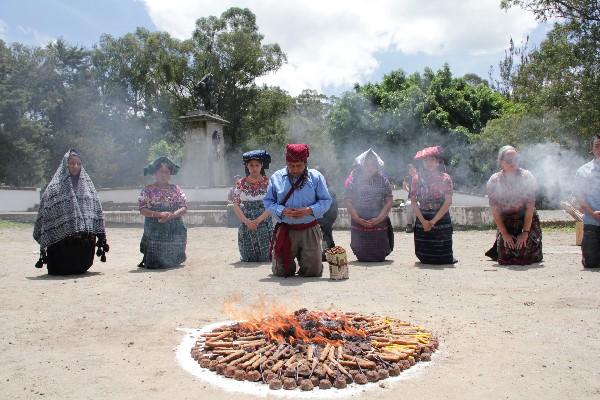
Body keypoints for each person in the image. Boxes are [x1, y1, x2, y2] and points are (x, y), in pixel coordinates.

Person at [33, 149, 109, 275]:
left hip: (82, 246)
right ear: (65, 165)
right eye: (72, 163)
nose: (75, 166)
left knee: (80, 264)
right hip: (61, 248)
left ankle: (80, 264)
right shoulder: (54, 188)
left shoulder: (88, 188)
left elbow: (96, 211)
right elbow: (47, 211)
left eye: (78, 163)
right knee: (61, 265)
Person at [264, 144, 332, 277]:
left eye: (299, 165)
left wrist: (309, 210)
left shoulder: (316, 177)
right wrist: (282, 210)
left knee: (313, 271)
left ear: (305, 163)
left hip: (309, 229)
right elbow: (268, 202)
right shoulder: (276, 177)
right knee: (281, 271)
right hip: (286, 229)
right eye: (291, 166)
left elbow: (326, 201)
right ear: (286, 163)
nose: (295, 169)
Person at [485, 145, 543, 265]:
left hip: (527, 220)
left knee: (523, 253)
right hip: (506, 222)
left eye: (516, 159)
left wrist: (525, 232)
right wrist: (504, 233)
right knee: (505, 257)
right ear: (501, 162)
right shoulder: (494, 181)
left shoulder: (527, 177)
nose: (513, 163)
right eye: (509, 160)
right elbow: (495, 210)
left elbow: (530, 208)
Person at [138, 157, 188, 269]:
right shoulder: (147, 190)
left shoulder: (176, 189)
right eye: (161, 172)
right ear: (154, 173)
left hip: (174, 228)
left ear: (170, 174)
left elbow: (184, 206)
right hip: (155, 228)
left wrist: (172, 215)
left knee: (174, 261)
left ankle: (174, 259)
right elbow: (142, 209)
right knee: (155, 262)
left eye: (167, 172)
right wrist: (159, 214)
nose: (164, 175)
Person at [344, 149, 394, 262]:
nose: (370, 168)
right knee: (361, 249)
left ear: (377, 166)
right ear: (361, 166)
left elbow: (389, 201)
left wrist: (379, 218)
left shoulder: (383, 180)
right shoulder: (354, 181)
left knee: (379, 247)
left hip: (379, 216)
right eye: (366, 165)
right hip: (359, 216)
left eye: (373, 165)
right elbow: (348, 200)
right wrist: (357, 218)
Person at [411, 146, 457, 264]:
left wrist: (432, 222)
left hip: (440, 216)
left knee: (443, 256)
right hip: (423, 215)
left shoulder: (445, 178)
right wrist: (423, 221)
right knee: (424, 256)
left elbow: (448, 202)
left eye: (432, 160)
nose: (429, 163)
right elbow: (414, 202)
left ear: (438, 162)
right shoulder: (416, 179)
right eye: (426, 160)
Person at [230, 150, 273, 262]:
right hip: (246, 220)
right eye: (251, 165)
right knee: (248, 257)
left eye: (257, 165)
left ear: (262, 165)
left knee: (266, 256)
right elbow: (236, 204)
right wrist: (247, 221)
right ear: (247, 166)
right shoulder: (241, 183)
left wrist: (258, 220)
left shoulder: (269, 183)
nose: (254, 168)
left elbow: (271, 205)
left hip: (264, 220)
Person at [575, 134, 600, 268]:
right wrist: (593, 214)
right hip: (592, 222)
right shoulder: (583, 171)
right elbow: (580, 197)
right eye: (597, 146)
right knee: (591, 264)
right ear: (592, 149)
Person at [314, 166, 338, 260]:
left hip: (326, 219)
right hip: (319, 219)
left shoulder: (329, 190)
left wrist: (324, 221)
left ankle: (327, 253)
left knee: (326, 236)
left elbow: (333, 209)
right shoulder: (314, 188)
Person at [402, 163, 418, 233]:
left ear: (415, 169)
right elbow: (404, 186)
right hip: (410, 198)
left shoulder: (419, 177)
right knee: (408, 205)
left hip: (419, 198)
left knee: (418, 205)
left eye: (413, 169)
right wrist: (410, 191)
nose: (411, 171)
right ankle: (409, 224)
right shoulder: (407, 178)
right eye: (410, 170)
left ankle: (416, 225)